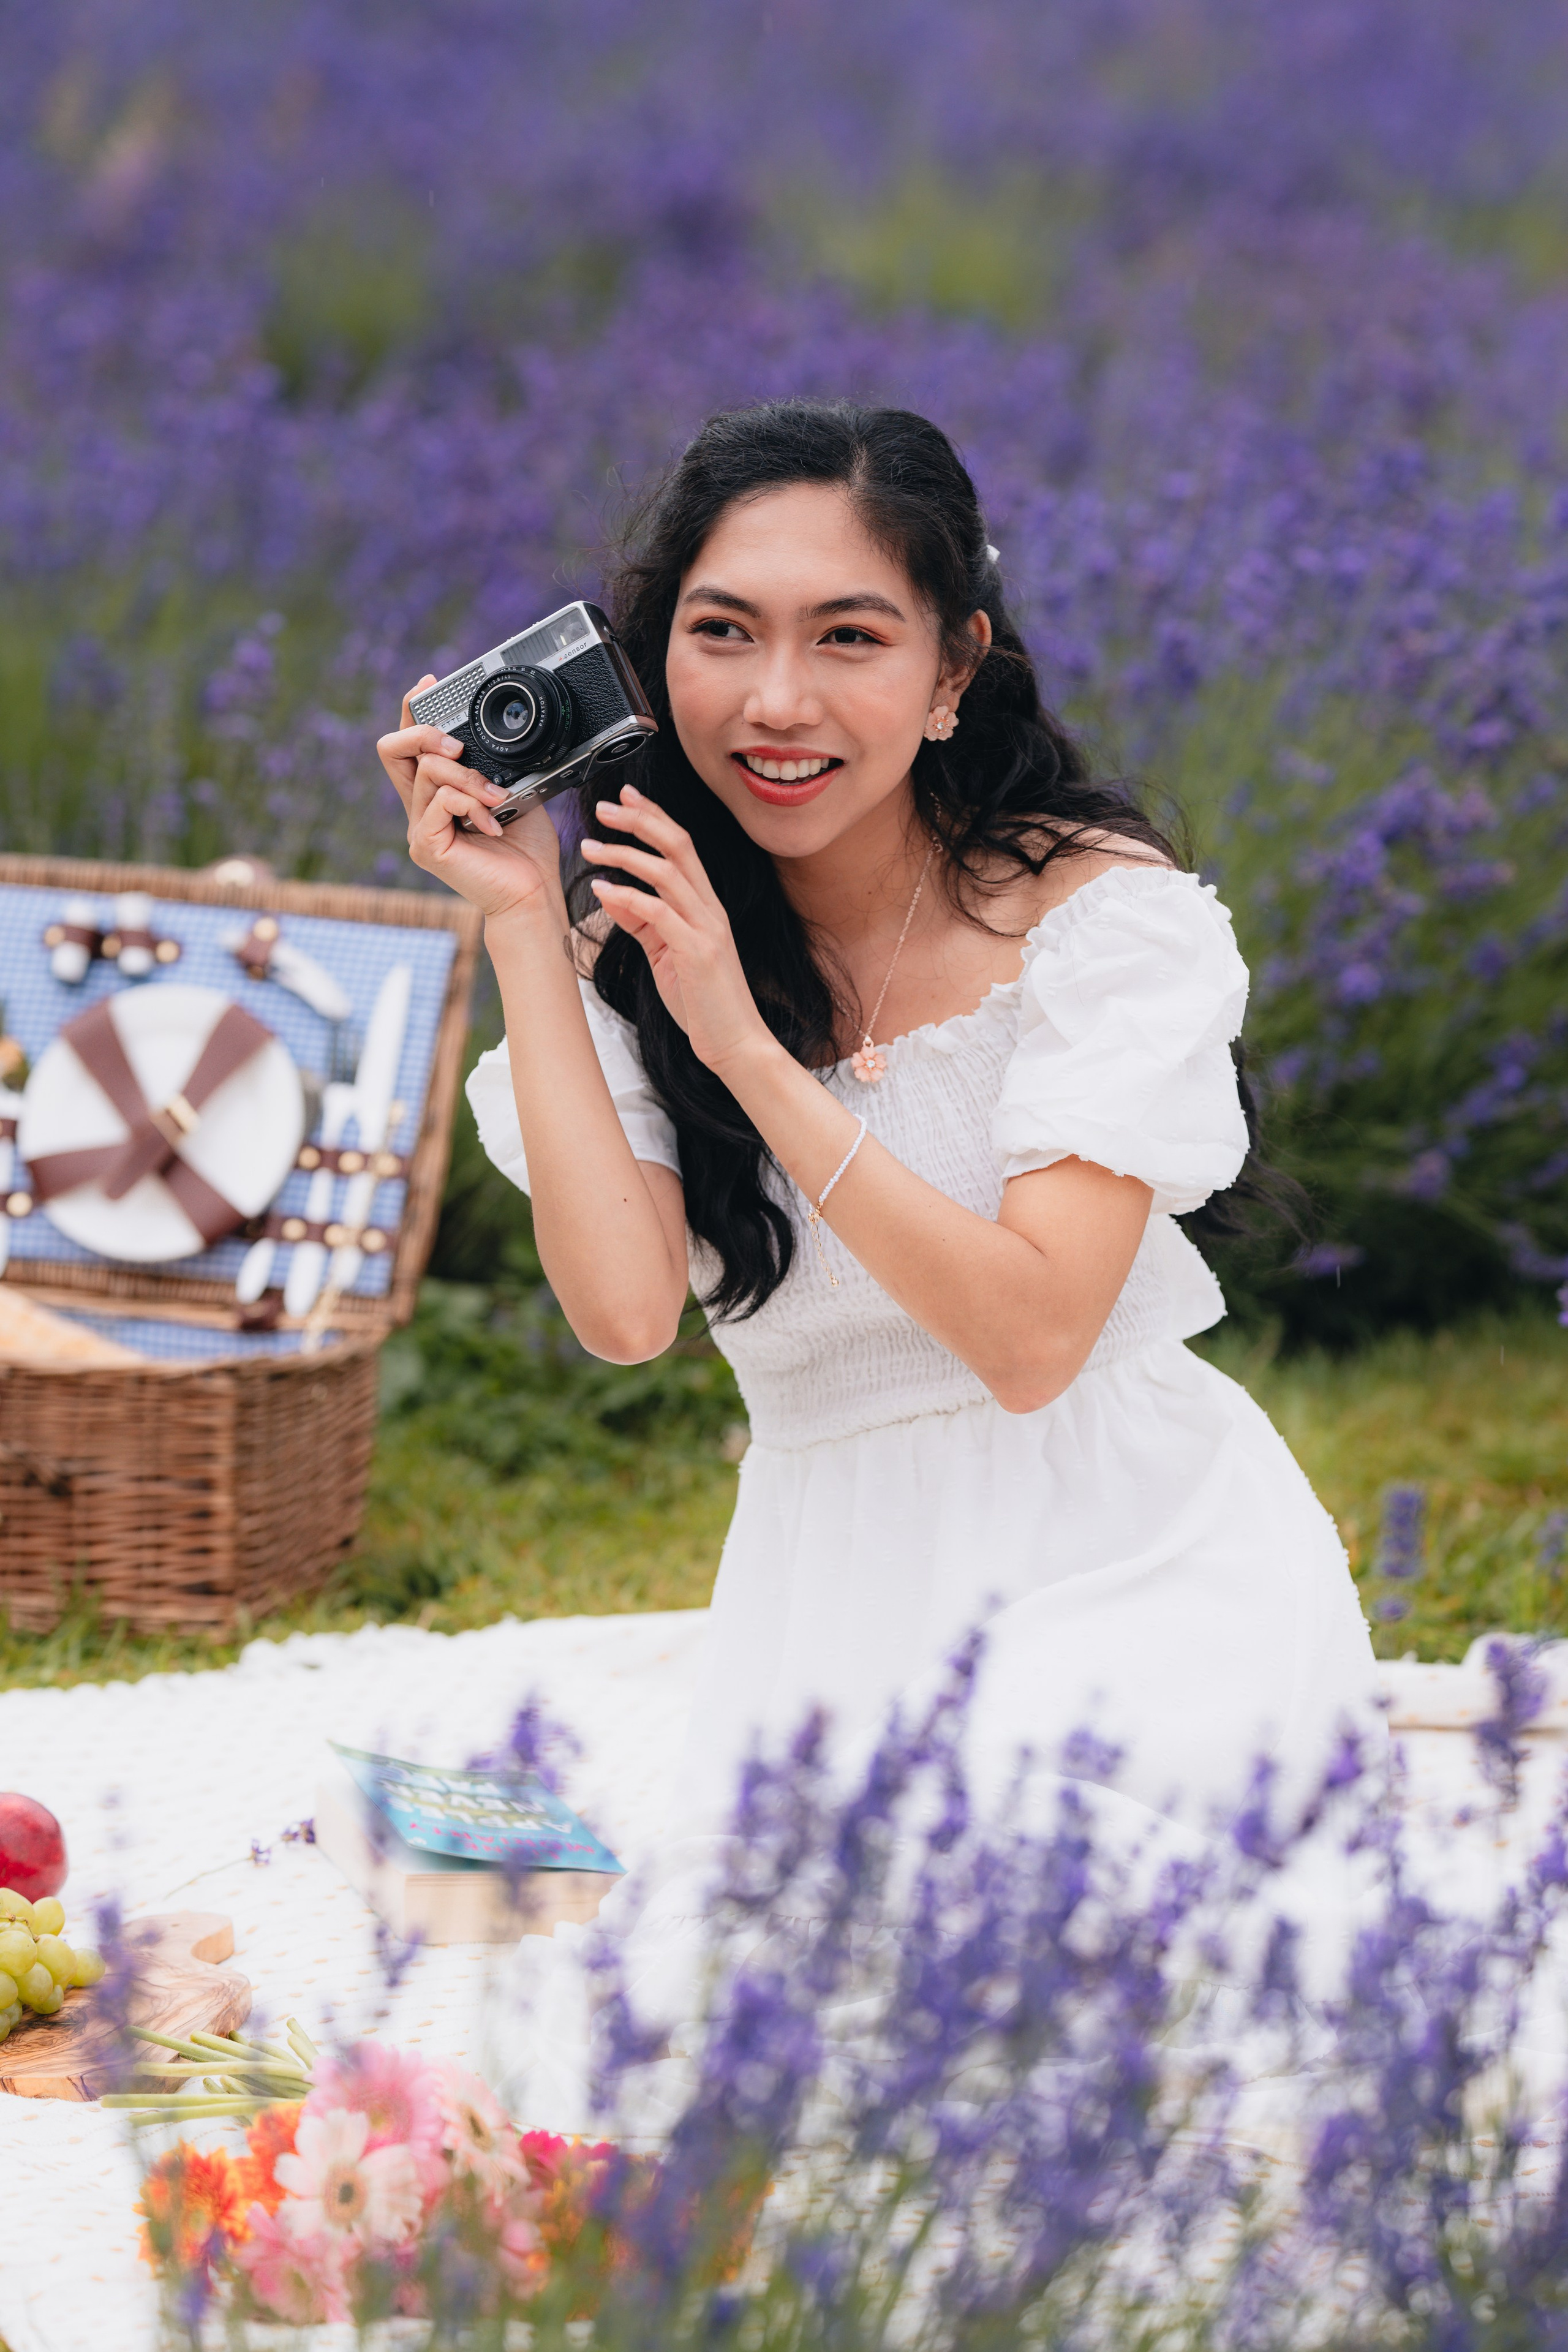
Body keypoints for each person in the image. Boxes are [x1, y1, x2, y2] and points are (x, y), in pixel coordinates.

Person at [379, 400, 1379, 2117]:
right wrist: (528, 932)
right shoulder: (648, 941)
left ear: (951, 673)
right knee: (791, 2040)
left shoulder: (1093, 921)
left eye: (850, 639)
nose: (777, 703)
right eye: (722, 633)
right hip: (835, 1605)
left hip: (1136, 1566)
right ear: (650, 662)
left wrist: (755, 1056)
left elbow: (1033, 1340)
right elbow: (624, 1316)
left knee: (1071, 2008)